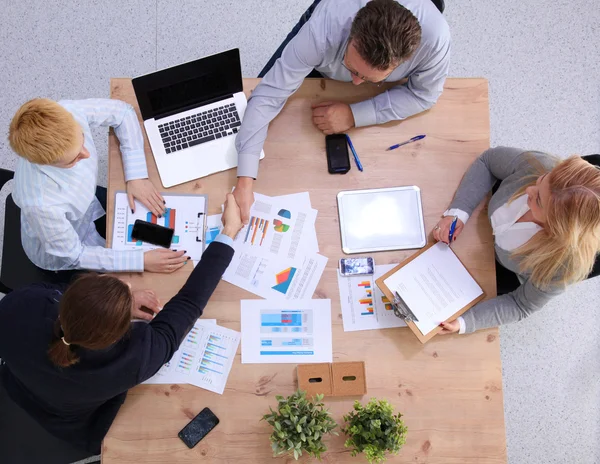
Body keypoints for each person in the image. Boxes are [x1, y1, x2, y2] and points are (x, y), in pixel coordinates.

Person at [0, 193, 242, 455]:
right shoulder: (133, 359)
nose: (128, 284)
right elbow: (190, 302)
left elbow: (51, 292)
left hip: (20, 385)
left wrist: (112, 305)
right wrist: (228, 232)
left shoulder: (17, 306)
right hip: (72, 425)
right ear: (121, 332)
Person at [234, 0, 451, 222]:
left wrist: (354, 115)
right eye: (352, 69)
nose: (355, 83)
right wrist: (244, 180)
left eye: (369, 79)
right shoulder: (322, 30)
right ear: (351, 35)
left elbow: (423, 95)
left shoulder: (435, 40)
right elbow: (269, 94)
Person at [430, 147, 600, 334]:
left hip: (506, 270)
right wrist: (458, 213)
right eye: (544, 179)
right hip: (478, 228)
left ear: (558, 228)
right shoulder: (538, 166)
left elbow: (521, 304)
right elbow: (488, 161)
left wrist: (464, 323)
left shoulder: (562, 264)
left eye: (539, 201)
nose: (529, 189)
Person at [8, 97, 188, 274]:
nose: (86, 155)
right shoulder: (41, 204)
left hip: (86, 205)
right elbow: (75, 255)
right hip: (64, 248)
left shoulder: (66, 111)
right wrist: (140, 261)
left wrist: (137, 176)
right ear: (47, 163)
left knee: (159, 229)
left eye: (82, 139)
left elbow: (122, 112)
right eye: (74, 159)